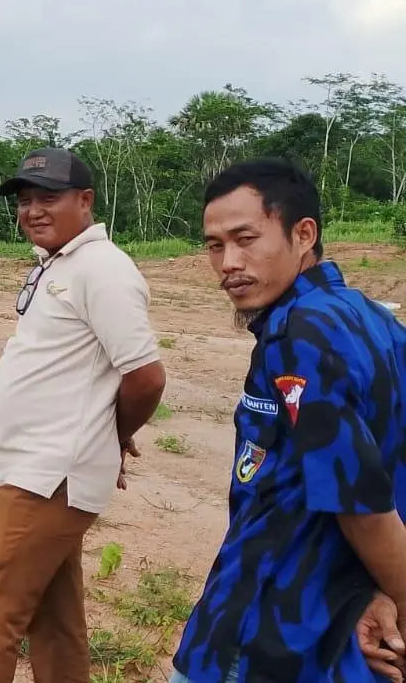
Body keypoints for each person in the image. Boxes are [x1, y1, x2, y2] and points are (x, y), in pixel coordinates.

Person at [170, 158, 406, 683]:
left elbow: (361, 502)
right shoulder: (371, 318)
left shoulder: (300, 336)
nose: (229, 262)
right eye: (214, 245)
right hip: (333, 620)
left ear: (303, 234)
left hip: (263, 635)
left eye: (246, 238)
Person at [0, 147, 167, 683]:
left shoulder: (103, 269)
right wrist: (4, 465)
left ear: (85, 201)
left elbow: (146, 377)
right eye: (25, 200)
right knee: (55, 618)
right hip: (35, 467)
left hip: (52, 472)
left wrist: (110, 438)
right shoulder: (60, 263)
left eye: (48, 198)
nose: (33, 211)